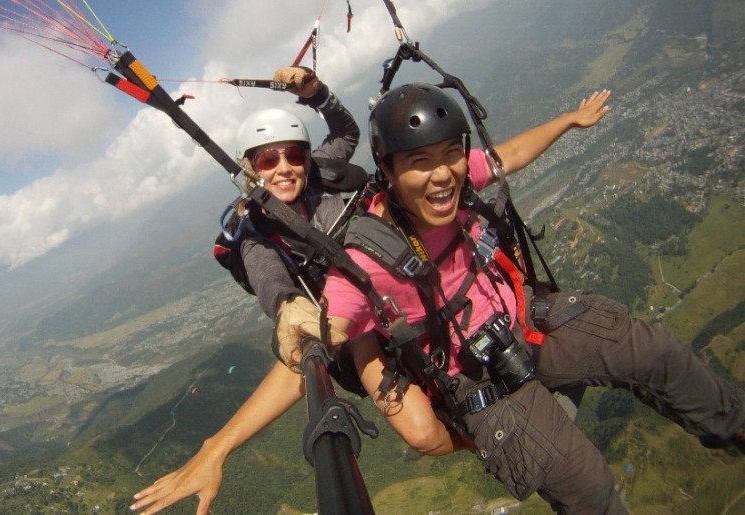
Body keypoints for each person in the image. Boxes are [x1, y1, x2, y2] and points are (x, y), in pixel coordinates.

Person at [283, 83, 745, 513]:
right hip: (478, 382)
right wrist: (222, 442)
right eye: (420, 161)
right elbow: (330, 330)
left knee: (653, 350)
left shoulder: (456, 183)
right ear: (388, 169)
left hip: (525, 321)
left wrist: (569, 120)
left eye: (451, 154)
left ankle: (732, 422)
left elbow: (512, 154)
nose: (442, 175)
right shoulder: (365, 258)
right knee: (589, 488)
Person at [131, 67, 366, 515]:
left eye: (293, 155)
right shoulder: (256, 232)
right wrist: (286, 306)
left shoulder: (317, 175)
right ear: (249, 168)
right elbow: (268, 277)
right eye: (266, 160)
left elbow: (347, 131)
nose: (283, 168)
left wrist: (315, 93)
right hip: (353, 326)